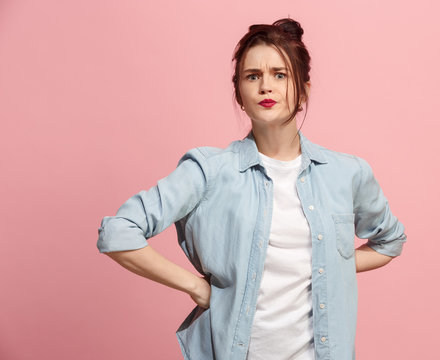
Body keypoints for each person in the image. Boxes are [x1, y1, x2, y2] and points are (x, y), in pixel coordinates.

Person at [97, 18, 407, 360]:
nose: (266, 87)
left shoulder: (347, 173)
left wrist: (329, 263)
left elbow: (390, 241)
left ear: (303, 89)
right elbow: (118, 233)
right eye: (252, 76)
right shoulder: (209, 171)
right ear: (239, 94)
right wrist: (195, 286)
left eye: (280, 74)